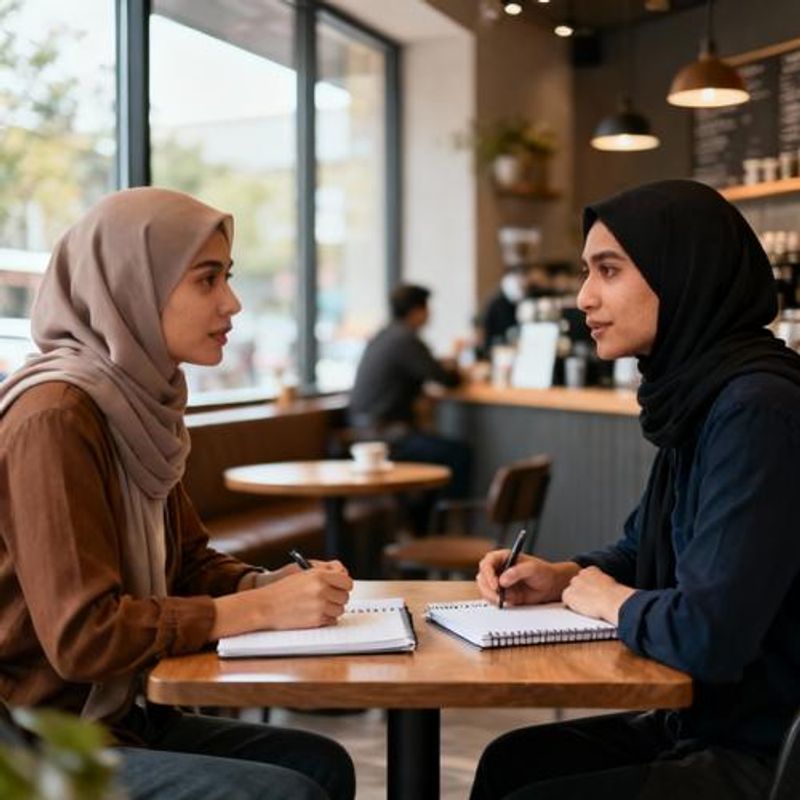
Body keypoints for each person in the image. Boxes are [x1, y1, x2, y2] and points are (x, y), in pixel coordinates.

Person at [0, 187, 356, 800]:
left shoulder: (137, 405)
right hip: (38, 738)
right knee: (286, 793)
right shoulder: (55, 417)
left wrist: (264, 586)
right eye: (206, 280)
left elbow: (186, 562)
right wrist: (259, 612)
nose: (232, 302)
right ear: (132, 287)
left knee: (321, 764)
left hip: (116, 717)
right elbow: (84, 636)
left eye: (228, 277)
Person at [471, 179, 800, 800]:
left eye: (609, 270)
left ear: (684, 274)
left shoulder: (757, 407)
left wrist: (614, 603)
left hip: (766, 748)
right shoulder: (702, 394)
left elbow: (710, 634)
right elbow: (641, 551)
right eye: (586, 272)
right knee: (512, 762)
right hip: (704, 718)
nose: (583, 297)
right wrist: (562, 576)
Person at [348, 284, 472, 529]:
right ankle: (433, 526)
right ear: (417, 311)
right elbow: (447, 379)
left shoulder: (386, 335)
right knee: (459, 454)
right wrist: (456, 359)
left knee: (442, 452)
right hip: (385, 437)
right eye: (427, 308)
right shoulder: (405, 339)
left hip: (364, 431)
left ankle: (421, 522)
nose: (430, 314)